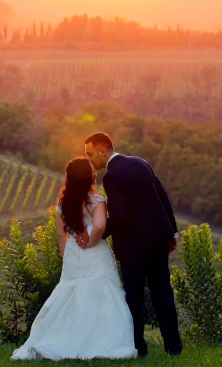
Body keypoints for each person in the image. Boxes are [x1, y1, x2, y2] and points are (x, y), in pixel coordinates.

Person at [10, 157, 137, 361]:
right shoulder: (97, 201)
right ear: (89, 178)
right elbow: (99, 227)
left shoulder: (62, 202)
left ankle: (64, 338)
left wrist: (66, 256)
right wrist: (91, 240)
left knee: (70, 293)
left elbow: (62, 234)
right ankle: (101, 341)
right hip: (94, 252)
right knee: (102, 293)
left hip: (72, 253)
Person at [79, 132, 183, 357]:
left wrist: (96, 236)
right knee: (163, 293)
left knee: (133, 298)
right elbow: (162, 197)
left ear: (103, 150)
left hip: (133, 247)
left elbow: (120, 215)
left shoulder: (112, 175)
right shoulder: (140, 163)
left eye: (90, 154)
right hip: (157, 240)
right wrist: (172, 231)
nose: (90, 160)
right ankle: (173, 347)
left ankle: (139, 348)